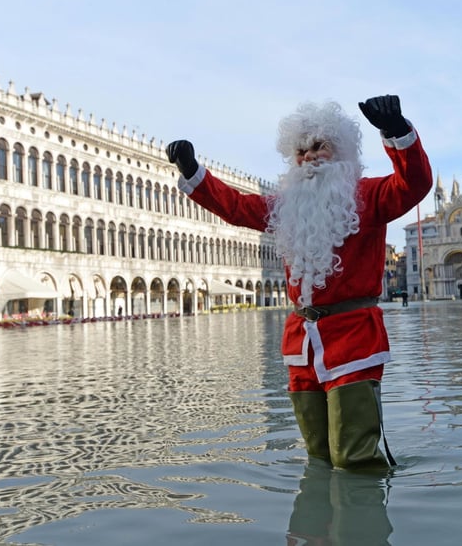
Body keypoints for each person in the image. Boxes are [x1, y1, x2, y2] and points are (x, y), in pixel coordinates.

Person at [167, 95, 432, 470]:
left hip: (354, 340)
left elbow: (415, 184)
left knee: (355, 456)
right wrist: (194, 171)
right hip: (302, 344)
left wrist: (397, 131)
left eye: (318, 147)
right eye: (301, 151)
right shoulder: (285, 205)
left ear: (339, 151)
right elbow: (236, 207)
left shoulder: (369, 195)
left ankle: (360, 525)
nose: (308, 157)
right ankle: (317, 529)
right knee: (317, 455)